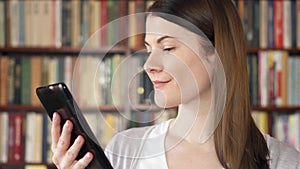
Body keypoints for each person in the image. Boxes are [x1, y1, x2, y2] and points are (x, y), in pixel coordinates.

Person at [50, 0, 300, 169]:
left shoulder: (281, 161)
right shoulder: (126, 151)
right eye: (148, 48)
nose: (149, 65)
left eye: (168, 47)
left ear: (217, 53)